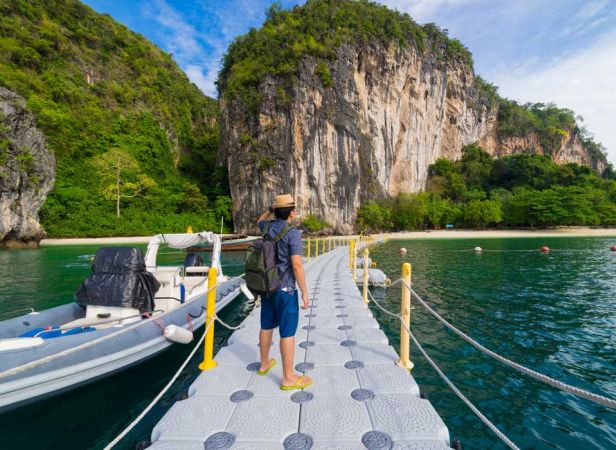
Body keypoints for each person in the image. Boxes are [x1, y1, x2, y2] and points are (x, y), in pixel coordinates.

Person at [255, 193, 313, 390]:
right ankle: (288, 377)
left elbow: (259, 220)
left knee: (266, 325)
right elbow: (296, 265)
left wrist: (270, 210)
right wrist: (304, 292)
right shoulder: (293, 233)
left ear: (276, 211)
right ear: (292, 213)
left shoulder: (267, 227)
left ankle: (264, 364)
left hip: (267, 286)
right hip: (286, 288)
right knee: (287, 332)